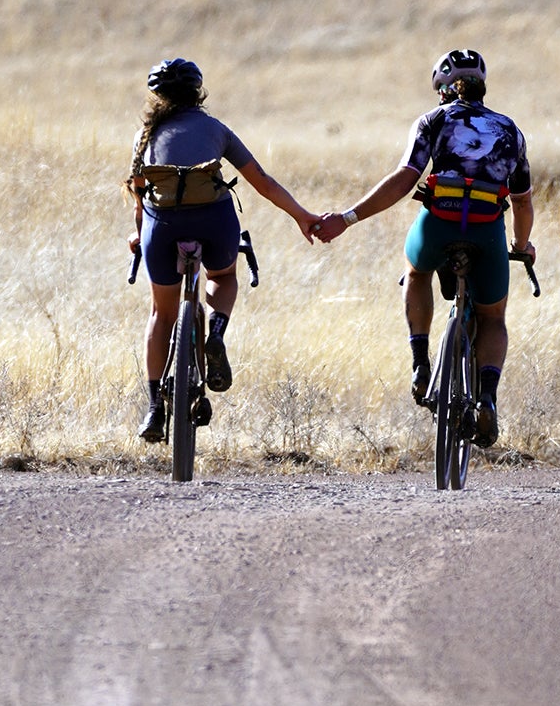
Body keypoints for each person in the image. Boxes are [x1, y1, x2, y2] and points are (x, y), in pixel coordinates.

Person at [315, 48, 534, 449]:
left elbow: (404, 179)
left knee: (416, 273)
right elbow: (521, 201)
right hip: (488, 231)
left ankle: (420, 361)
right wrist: (521, 245)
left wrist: (347, 218)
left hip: (438, 224)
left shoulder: (433, 121)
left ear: (441, 89)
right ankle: (486, 396)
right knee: (494, 317)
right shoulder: (509, 130)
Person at [128, 57, 319, 444]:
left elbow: (139, 197)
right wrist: (302, 216)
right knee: (222, 275)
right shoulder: (216, 129)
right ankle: (215, 330)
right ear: (198, 92)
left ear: (156, 96)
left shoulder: (145, 136)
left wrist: (138, 234)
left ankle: (153, 407)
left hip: (162, 229)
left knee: (160, 314)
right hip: (213, 225)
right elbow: (262, 182)